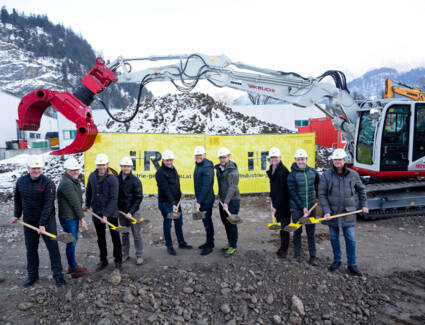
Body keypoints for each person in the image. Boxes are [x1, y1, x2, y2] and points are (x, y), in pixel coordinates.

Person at [10, 156, 65, 287]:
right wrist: (16, 215)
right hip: (29, 220)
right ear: (28, 169)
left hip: (47, 221)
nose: (36, 171)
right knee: (31, 249)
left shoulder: (48, 183)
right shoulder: (21, 182)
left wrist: (42, 224)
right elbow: (18, 200)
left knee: (53, 248)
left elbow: (48, 205)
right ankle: (32, 276)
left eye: (39, 168)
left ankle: (58, 276)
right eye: (34, 168)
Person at [318, 148, 369, 276]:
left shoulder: (353, 174)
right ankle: (337, 260)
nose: (337, 161)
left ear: (344, 160)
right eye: (335, 159)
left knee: (350, 239)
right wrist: (326, 211)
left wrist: (364, 204)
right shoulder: (326, 175)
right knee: (334, 238)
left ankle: (352, 264)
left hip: (348, 212)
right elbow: (322, 194)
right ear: (333, 161)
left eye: (339, 159)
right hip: (333, 213)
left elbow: (361, 190)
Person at [84, 153, 122, 271]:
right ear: (97, 165)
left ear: (107, 164)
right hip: (97, 211)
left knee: (115, 237)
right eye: (99, 165)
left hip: (111, 213)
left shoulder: (113, 178)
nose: (101, 167)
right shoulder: (92, 176)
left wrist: (106, 214)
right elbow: (89, 191)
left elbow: (114, 198)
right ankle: (103, 260)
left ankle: (118, 261)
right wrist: (87, 204)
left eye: (103, 165)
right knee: (100, 238)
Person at [156, 150, 192, 255]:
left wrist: (180, 193)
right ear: (163, 160)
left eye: (170, 160)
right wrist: (172, 204)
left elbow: (175, 183)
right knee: (168, 224)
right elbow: (165, 189)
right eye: (167, 160)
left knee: (178, 222)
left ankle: (181, 242)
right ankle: (169, 246)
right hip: (166, 203)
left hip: (176, 202)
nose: (169, 162)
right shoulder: (160, 173)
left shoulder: (172, 168)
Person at [287, 149, 320, 265]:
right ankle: (297, 255)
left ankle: (313, 257)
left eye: (303, 159)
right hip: (297, 209)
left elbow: (318, 185)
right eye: (298, 159)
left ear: (306, 159)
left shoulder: (313, 172)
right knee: (297, 231)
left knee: (311, 232)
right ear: (295, 160)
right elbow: (292, 192)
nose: (301, 161)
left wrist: (318, 197)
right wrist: (302, 207)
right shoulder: (292, 175)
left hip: (311, 207)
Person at [57, 157, 88, 278]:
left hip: (72, 215)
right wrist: (82, 218)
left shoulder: (73, 180)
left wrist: (81, 209)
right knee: (71, 241)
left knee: (73, 241)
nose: (75, 172)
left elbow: (77, 199)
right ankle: (73, 268)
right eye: (72, 170)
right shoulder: (66, 183)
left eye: (76, 169)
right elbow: (74, 201)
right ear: (66, 170)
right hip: (68, 217)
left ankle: (72, 265)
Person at [118, 156, 144, 265]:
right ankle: (125, 254)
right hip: (121, 212)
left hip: (133, 212)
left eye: (128, 166)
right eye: (124, 166)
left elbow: (139, 197)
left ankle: (139, 255)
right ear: (121, 167)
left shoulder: (135, 180)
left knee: (136, 234)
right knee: (124, 233)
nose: (126, 168)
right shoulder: (116, 179)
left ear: (131, 167)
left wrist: (131, 212)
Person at [215, 147, 240, 257]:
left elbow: (232, 187)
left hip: (232, 201)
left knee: (231, 223)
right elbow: (222, 184)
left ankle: (233, 246)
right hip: (223, 200)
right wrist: (219, 194)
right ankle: (230, 243)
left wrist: (226, 202)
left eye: (224, 157)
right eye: (220, 158)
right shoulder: (220, 168)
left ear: (229, 157)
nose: (222, 160)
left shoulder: (233, 170)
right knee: (225, 222)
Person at [266, 147, 291, 258]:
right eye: (272, 157)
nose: (274, 159)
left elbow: (282, 191)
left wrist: (276, 206)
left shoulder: (282, 171)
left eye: (275, 157)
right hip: (278, 202)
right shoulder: (272, 169)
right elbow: (274, 188)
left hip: (284, 204)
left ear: (280, 157)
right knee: (281, 226)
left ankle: (284, 249)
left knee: (284, 227)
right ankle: (282, 247)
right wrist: (271, 196)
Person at [193, 146, 215, 256]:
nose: (198, 157)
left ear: (204, 155)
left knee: (207, 222)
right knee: (205, 221)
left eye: (200, 155)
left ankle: (210, 245)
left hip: (206, 200)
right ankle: (208, 242)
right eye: (196, 155)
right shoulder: (198, 165)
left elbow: (206, 186)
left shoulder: (207, 167)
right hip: (202, 199)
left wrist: (199, 201)